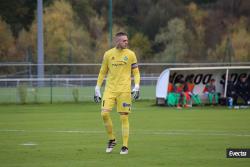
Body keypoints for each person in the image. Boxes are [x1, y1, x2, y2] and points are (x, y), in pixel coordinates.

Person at [94, 32, 140, 155]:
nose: (127, 42)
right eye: (124, 40)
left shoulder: (131, 54)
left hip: (124, 90)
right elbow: (102, 72)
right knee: (104, 114)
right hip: (109, 90)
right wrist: (97, 88)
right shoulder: (108, 54)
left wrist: (137, 86)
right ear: (118, 41)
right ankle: (112, 139)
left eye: (127, 40)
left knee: (124, 117)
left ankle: (125, 146)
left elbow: (135, 72)